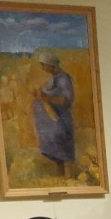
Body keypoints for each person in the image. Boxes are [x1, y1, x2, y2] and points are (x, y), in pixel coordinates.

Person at [30, 49, 76, 179]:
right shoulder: (52, 79)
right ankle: (61, 178)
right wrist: (38, 95)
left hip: (60, 121)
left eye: (44, 64)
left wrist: (45, 97)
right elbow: (47, 95)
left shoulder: (64, 79)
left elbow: (66, 100)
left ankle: (69, 179)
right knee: (56, 152)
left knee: (64, 149)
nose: (42, 68)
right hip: (51, 125)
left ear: (51, 64)